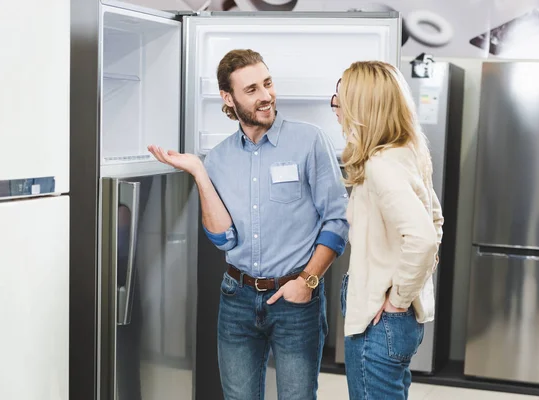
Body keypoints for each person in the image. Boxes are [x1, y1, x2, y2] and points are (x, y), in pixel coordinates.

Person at [147, 48, 349, 399]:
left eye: (267, 84)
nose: (266, 96)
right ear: (229, 98)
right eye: (252, 89)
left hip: (296, 299)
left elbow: (337, 219)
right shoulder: (221, 158)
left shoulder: (310, 141)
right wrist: (199, 171)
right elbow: (223, 237)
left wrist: (308, 280)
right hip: (236, 299)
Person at [331, 61, 444, 399]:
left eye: (341, 100)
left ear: (362, 108)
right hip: (399, 321)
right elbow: (434, 220)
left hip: (379, 321)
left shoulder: (381, 165)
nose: (336, 107)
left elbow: (423, 239)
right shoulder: (406, 152)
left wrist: (397, 298)